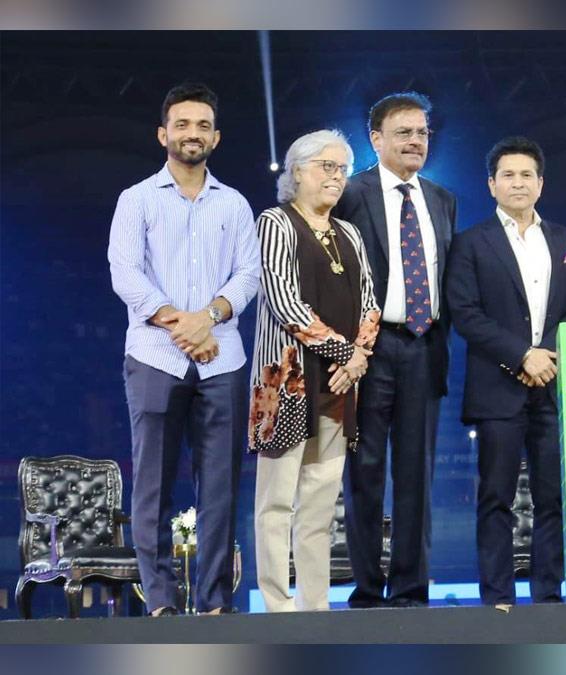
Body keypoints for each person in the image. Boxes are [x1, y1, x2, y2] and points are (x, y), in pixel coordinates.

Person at [107, 82, 259, 616]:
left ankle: (216, 601)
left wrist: (209, 318)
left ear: (215, 137)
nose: (192, 133)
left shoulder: (235, 204)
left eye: (202, 125)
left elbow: (248, 275)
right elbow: (125, 274)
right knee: (152, 485)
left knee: (219, 487)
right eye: (182, 124)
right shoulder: (137, 199)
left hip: (224, 360)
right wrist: (183, 325)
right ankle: (161, 602)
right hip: (154, 355)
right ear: (163, 133)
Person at [446, 136, 566, 608]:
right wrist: (522, 355)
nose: (518, 182)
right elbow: (465, 312)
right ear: (491, 184)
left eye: (527, 174)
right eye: (508, 174)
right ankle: (498, 598)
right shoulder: (470, 242)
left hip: (553, 386)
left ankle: (548, 595)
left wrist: (547, 354)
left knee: (553, 499)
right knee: (496, 499)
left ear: (541, 183)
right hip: (498, 387)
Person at [332, 92, 456, 608]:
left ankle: (411, 588)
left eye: (423, 132)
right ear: (375, 140)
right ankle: (366, 588)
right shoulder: (350, 195)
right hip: (368, 351)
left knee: (417, 476)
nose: (415, 141)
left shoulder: (442, 199)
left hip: (424, 347)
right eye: (404, 132)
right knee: (363, 473)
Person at [249, 129, 380, 611]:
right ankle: (278, 608)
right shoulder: (275, 223)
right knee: (276, 504)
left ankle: (315, 607)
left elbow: (370, 301)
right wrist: (348, 354)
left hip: (340, 388)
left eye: (341, 169)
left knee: (321, 508)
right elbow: (284, 301)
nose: (336, 177)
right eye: (326, 166)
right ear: (297, 171)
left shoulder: (348, 232)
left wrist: (358, 357)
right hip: (286, 384)